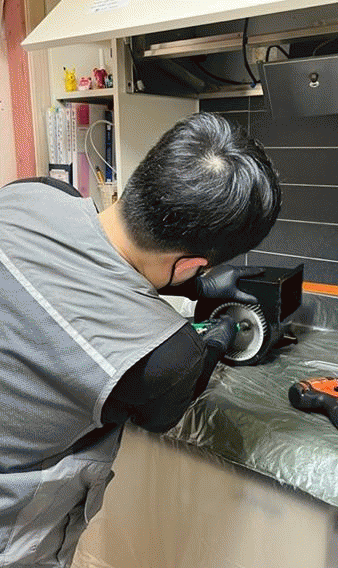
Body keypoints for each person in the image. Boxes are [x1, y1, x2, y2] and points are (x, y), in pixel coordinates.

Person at [0, 112, 281, 567]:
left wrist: (193, 286)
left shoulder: (33, 193)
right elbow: (165, 408)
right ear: (190, 263)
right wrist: (218, 339)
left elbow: (80, 262)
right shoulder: (161, 359)